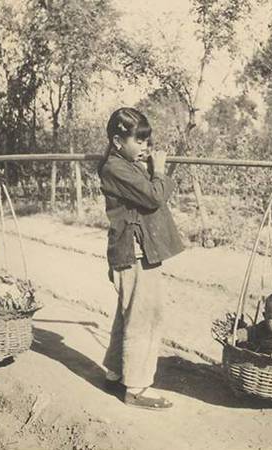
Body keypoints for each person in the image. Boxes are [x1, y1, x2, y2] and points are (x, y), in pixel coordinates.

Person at [98, 107, 184, 410]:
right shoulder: (114, 168)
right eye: (140, 141)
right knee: (145, 318)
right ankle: (136, 387)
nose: (146, 148)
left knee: (128, 314)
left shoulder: (124, 162)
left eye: (148, 141)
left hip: (133, 250)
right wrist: (159, 170)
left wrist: (148, 165)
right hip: (134, 252)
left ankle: (115, 373)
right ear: (118, 141)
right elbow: (153, 196)